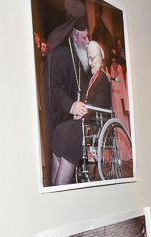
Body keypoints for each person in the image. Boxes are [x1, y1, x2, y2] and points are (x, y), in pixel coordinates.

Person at [44, 0, 90, 186]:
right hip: (63, 114)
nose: (87, 42)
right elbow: (55, 87)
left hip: (78, 119)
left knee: (72, 134)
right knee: (61, 134)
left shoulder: (82, 56)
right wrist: (72, 106)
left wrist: (81, 106)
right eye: (84, 37)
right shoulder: (62, 51)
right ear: (74, 35)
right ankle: (58, 192)